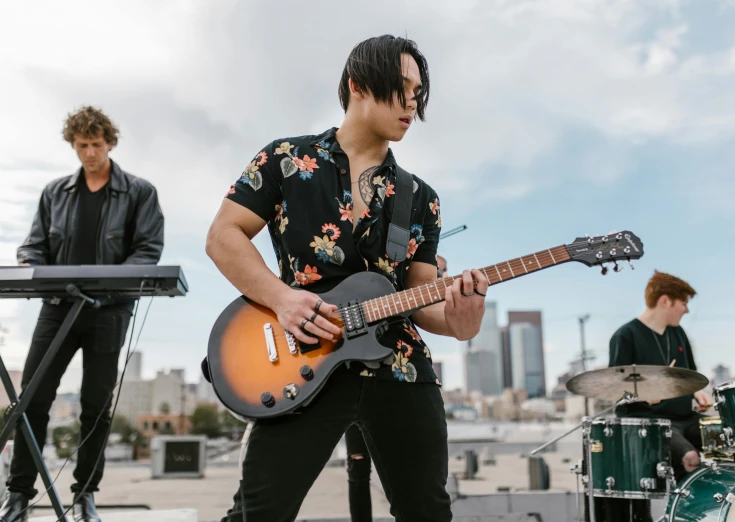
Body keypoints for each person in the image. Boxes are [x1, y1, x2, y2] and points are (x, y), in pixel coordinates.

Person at [206, 35, 488, 521]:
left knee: (428, 511)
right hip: (301, 358)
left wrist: (461, 319)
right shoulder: (286, 160)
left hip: (398, 366)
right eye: (401, 88)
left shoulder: (419, 196)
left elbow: (419, 297)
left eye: (418, 92)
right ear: (358, 85)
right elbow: (223, 236)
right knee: (260, 512)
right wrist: (283, 299)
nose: (412, 103)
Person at [1, 106, 164, 522]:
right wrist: (28, 265)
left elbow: (147, 250)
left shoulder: (139, 192)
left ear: (110, 142)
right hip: (57, 308)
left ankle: (84, 495)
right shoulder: (55, 192)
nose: (89, 153)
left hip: (108, 310)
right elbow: (33, 245)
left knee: (95, 406)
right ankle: (18, 494)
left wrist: (108, 282)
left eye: (96, 144)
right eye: (81, 146)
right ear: (72, 145)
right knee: (32, 401)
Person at [343, 254, 450, 522]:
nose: (443, 277)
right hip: (342, 369)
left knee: (421, 498)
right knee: (357, 470)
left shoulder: (428, 279)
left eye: (444, 273)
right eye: (440, 271)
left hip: (393, 366)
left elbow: (429, 306)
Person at [601, 270, 709, 521]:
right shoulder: (625, 336)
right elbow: (616, 391)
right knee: (690, 457)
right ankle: (682, 514)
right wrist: (642, 396)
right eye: (683, 303)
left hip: (685, 417)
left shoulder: (678, 333)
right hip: (650, 423)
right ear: (665, 301)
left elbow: (690, 375)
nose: (686, 310)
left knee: (730, 444)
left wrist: (698, 392)